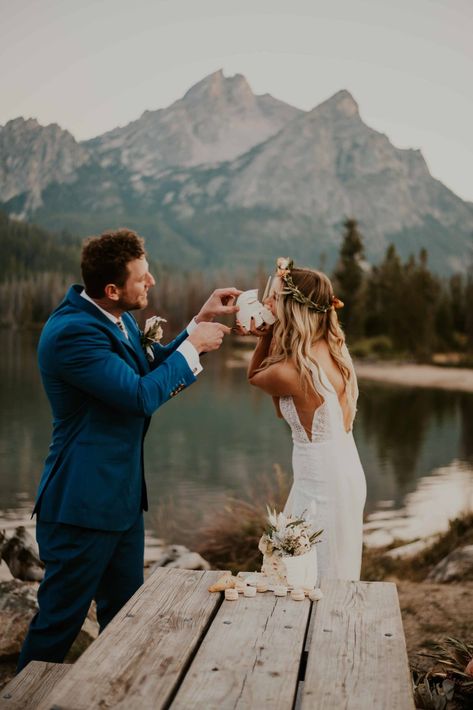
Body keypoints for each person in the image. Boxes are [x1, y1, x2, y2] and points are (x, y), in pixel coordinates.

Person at [17, 228, 240, 672]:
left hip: (119, 502)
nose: (151, 282)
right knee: (58, 625)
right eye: (143, 277)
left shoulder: (111, 318)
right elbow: (139, 396)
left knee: (125, 619)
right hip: (80, 506)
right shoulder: (72, 333)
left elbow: (148, 370)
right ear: (113, 289)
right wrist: (194, 349)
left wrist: (197, 323)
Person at [239, 258, 366, 583]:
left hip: (319, 483)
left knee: (307, 572)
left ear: (293, 308)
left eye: (275, 297)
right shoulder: (334, 348)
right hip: (343, 470)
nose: (268, 302)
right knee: (326, 567)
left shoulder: (291, 371)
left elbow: (254, 376)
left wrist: (264, 335)